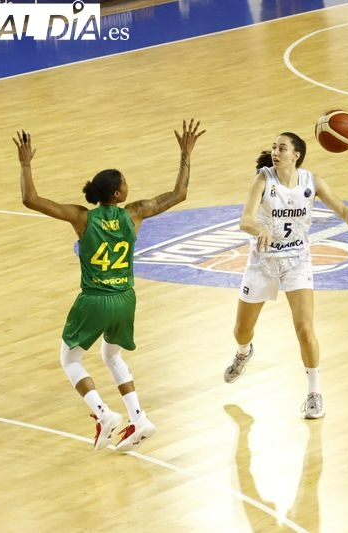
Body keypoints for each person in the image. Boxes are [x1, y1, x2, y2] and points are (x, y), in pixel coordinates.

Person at [13, 119, 205, 452]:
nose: (128, 184)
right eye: (125, 182)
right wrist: (185, 153)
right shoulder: (135, 214)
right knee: (111, 355)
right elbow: (179, 194)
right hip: (126, 298)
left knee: (70, 360)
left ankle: (104, 415)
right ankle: (139, 418)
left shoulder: (82, 218)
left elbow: (31, 199)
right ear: (117, 194)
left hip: (95, 300)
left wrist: (26, 164)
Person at [223, 132, 348, 419]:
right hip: (263, 261)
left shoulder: (312, 181)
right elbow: (245, 219)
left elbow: (343, 208)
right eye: (274, 147)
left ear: (296, 155)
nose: (275, 151)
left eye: (282, 148)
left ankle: (314, 393)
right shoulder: (263, 180)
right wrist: (260, 230)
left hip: (296, 261)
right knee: (241, 330)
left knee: (305, 329)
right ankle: (244, 352)